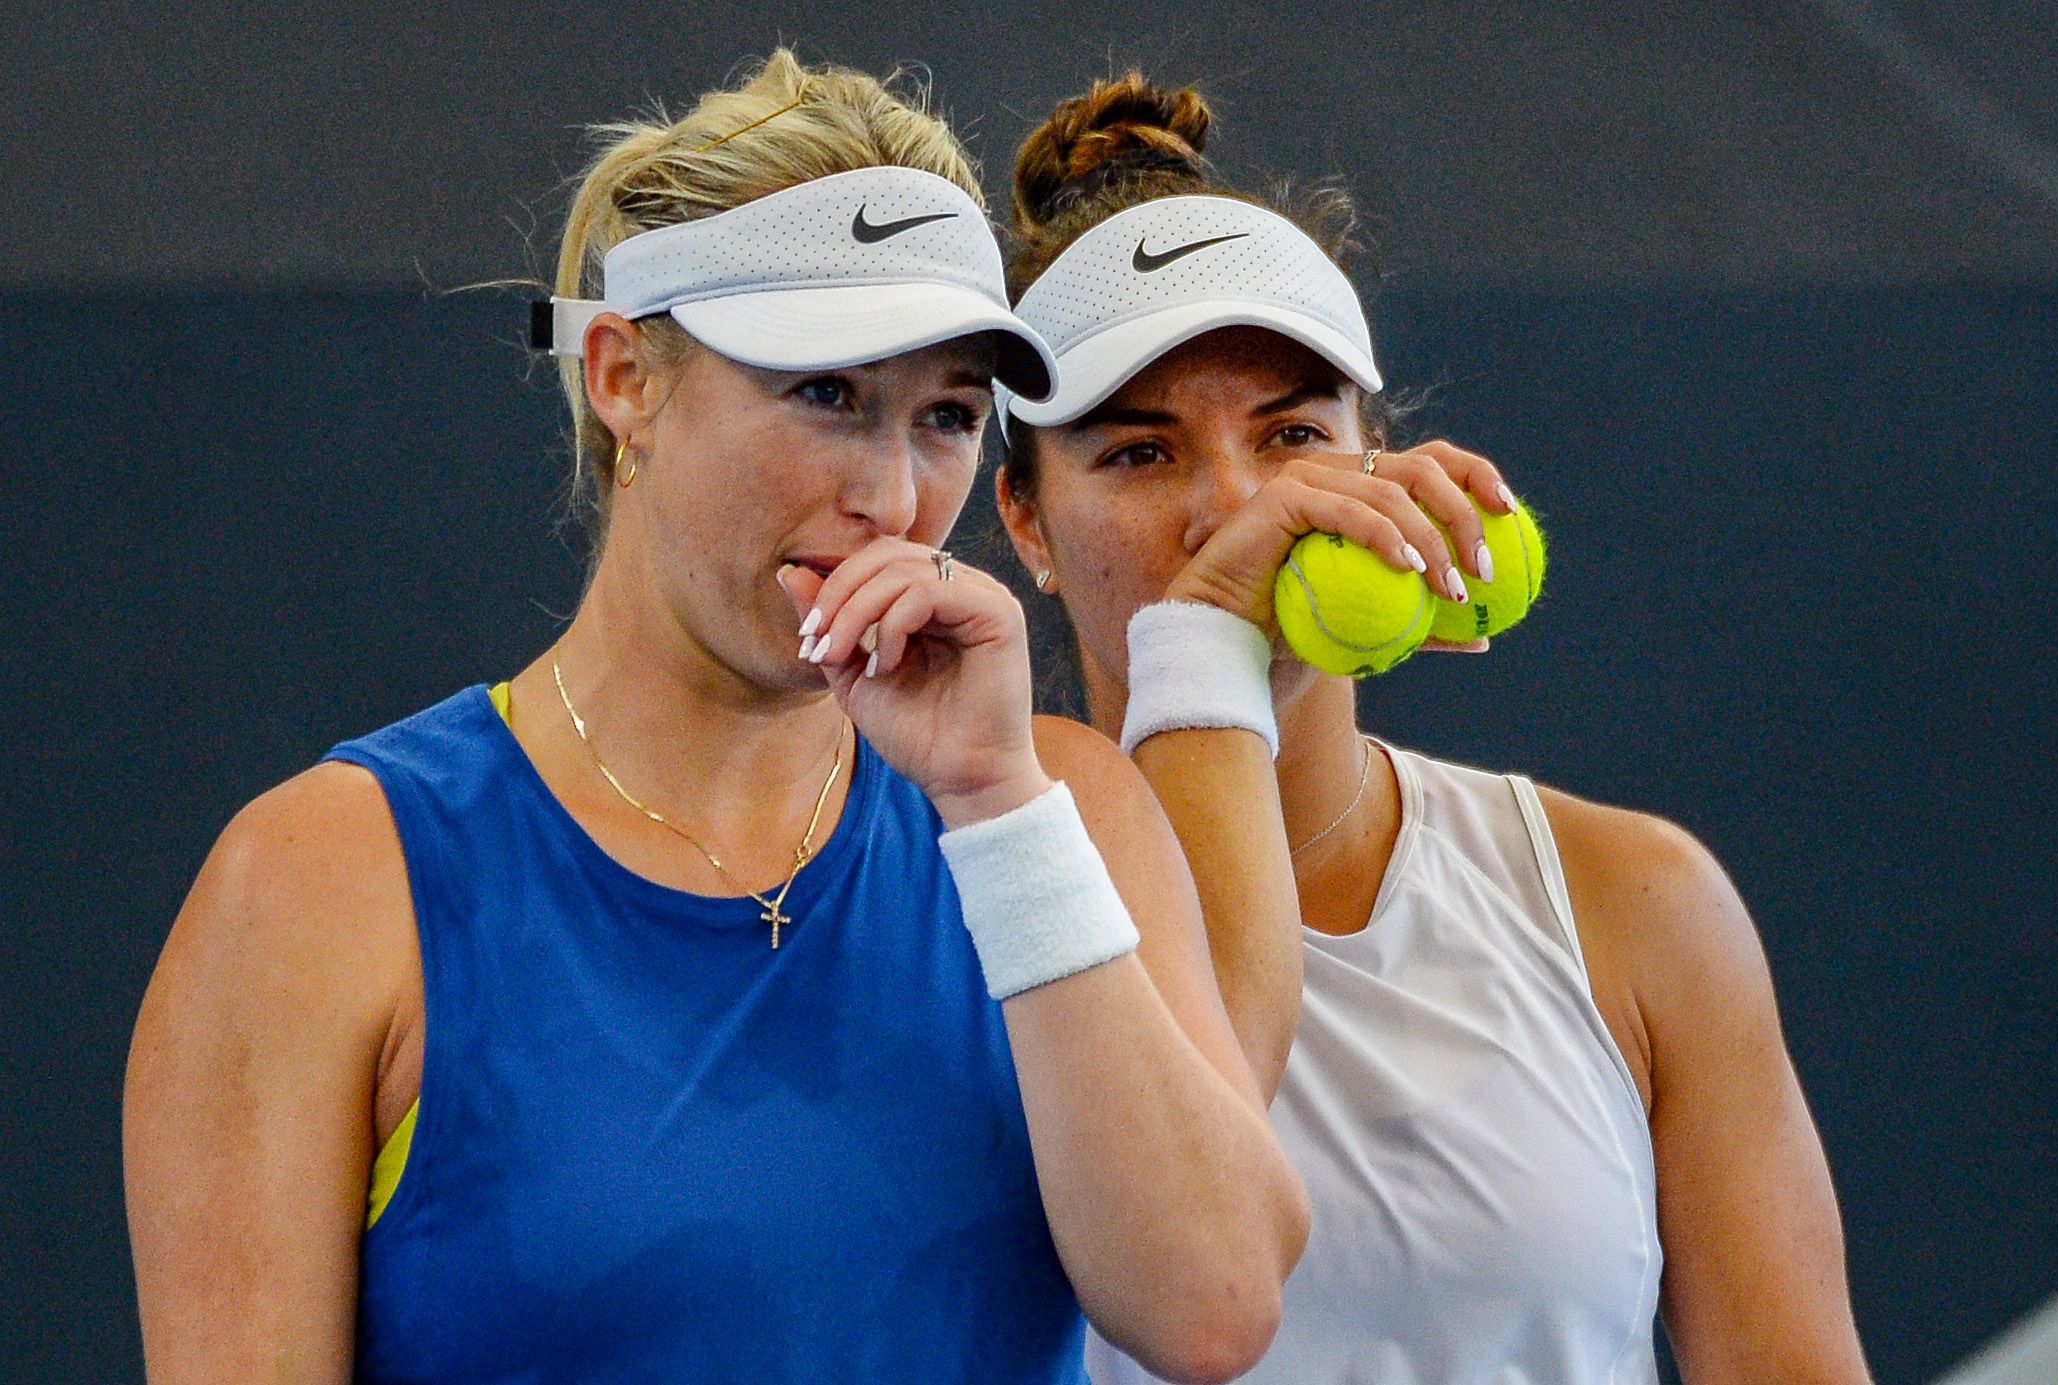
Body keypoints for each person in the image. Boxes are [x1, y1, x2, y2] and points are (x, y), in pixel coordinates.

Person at [123, 52, 1309, 1383]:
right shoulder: (316, 885)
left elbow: (1212, 1310)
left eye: (948, 416)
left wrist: (992, 804)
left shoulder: (1061, 809)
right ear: (625, 377)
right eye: (827, 395)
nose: (893, 492)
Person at [993, 74, 1873, 1383]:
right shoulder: (942, 925)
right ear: (1024, 523)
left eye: (1292, 433)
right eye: (1140, 453)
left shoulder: (1635, 903)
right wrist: (1204, 659)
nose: (1233, 506)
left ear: (1377, 459)